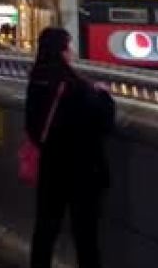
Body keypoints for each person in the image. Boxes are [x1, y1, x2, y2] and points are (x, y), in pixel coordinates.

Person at [26, 27, 116, 268]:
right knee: (85, 234)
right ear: (62, 51)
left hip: (50, 166)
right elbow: (105, 122)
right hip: (81, 171)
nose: (72, 51)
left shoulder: (36, 79)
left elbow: (32, 126)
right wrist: (105, 96)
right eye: (68, 46)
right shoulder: (75, 87)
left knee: (45, 229)